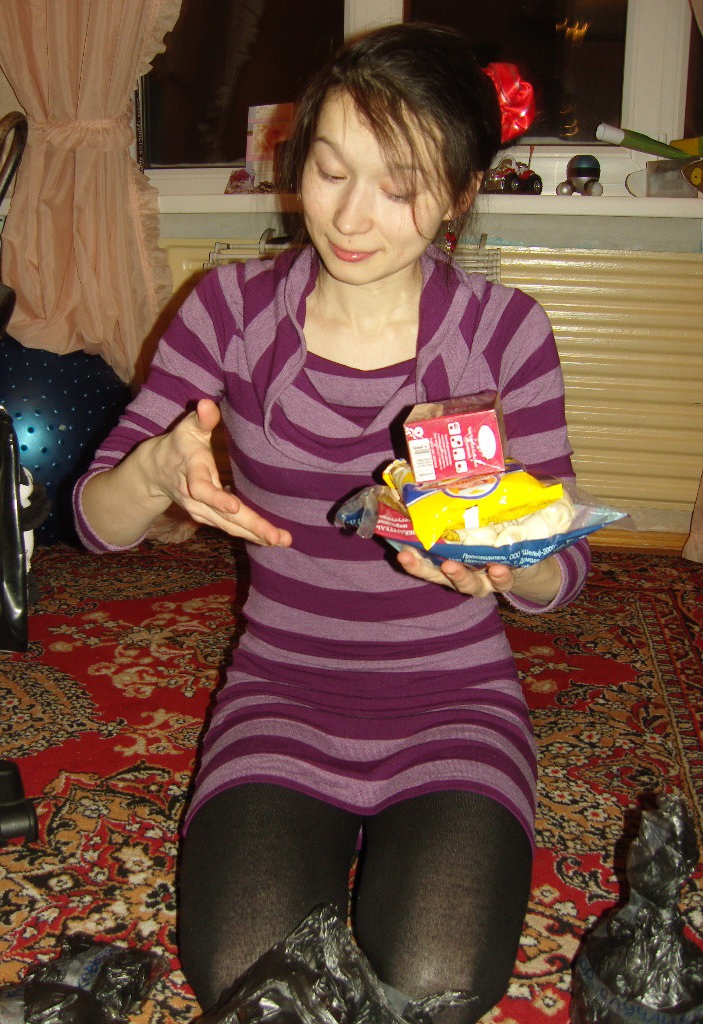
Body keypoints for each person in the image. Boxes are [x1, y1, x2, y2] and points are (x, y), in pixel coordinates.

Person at [74, 22, 590, 1024]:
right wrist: (154, 471)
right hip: (282, 693)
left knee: (435, 981)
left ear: (460, 194)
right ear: (296, 161)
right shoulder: (226, 312)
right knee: (249, 983)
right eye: (330, 170)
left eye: (400, 186)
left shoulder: (506, 332)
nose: (352, 217)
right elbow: (96, 521)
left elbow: (563, 569)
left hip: (456, 699)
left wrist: (505, 563)